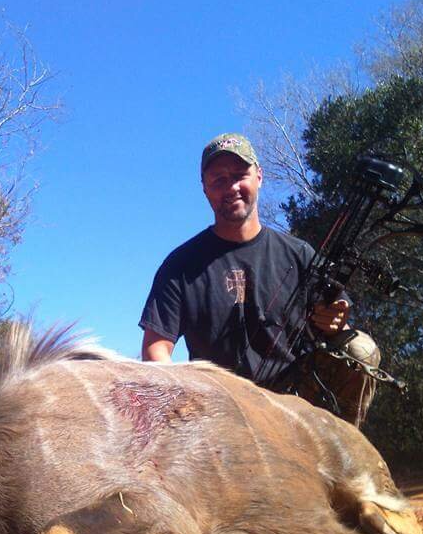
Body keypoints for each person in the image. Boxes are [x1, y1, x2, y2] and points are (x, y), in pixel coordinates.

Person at [139, 132, 380, 426]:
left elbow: (336, 316)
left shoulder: (298, 253)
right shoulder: (180, 265)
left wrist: (336, 319)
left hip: (294, 401)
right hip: (219, 409)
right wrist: (184, 399)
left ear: (259, 177)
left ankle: (340, 454)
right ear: (205, 189)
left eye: (240, 174)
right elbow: (156, 348)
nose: (232, 187)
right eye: (218, 179)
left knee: (360, 349)